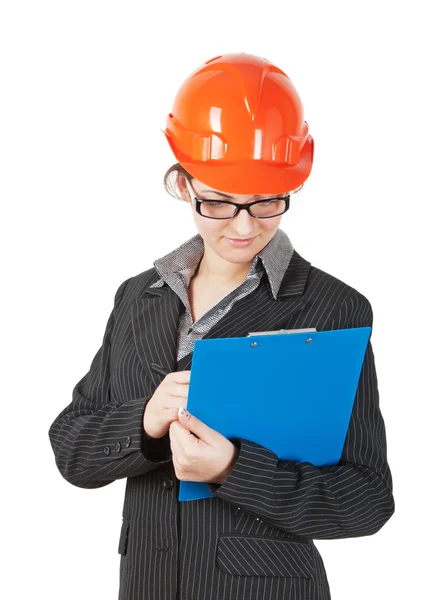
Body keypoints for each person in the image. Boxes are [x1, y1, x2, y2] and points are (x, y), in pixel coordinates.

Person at [48, 52, 395, 600]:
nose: (242, 226)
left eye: (265, 204)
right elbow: (71, 447)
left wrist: (234, 468)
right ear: (184, 184)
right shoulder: (139, 297)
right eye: (218, 202)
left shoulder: (332, 308)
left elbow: (367, 498)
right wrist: (143, 421)